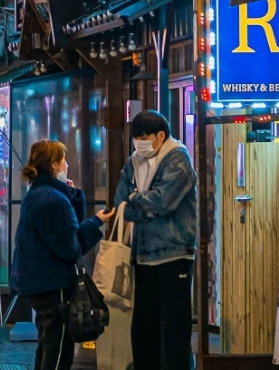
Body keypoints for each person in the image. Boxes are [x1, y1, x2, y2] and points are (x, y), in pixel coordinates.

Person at [97, 110, 197, 370]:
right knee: (143, 328)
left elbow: (164, 201)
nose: (139, 144)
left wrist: (136, 200)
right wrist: (141, 203)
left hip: (173, 254)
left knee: (174, 329)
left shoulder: (178, 158)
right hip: (140, 256)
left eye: (144, 138)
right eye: (136, 139)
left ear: (160, 136)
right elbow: (121, 203)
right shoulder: (134, 162)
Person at [14, 140, 101, 370]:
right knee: (59, 348)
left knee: (47, 342)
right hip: (54, 283)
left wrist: (72, 195)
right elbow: (70, 247)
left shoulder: (39, 194)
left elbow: (66, 229)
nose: (67, 164)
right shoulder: (52, 200)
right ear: (54, 166)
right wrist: (96, 223)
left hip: (39, 282)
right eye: (63, 160)